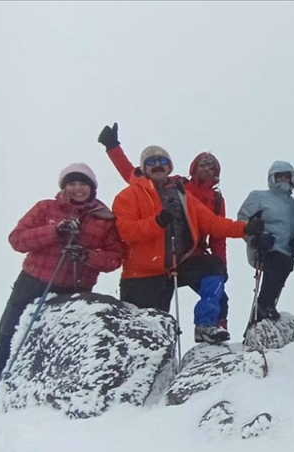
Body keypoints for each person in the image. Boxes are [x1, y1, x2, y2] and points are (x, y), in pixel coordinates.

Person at [0, 163, 124, 398]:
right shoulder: (46, 208)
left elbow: (115, 259)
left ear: (92, 188)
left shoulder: (105, 219)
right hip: (33, 281)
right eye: (72, 183)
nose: (78, 188)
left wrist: (87, 256)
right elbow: (17, 240)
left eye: (83, 183)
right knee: (9, 332)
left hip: (74, 289)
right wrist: (54, 232)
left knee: (55, 341)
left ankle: (43, 392)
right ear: (64, 187)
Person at [112, 145, 264, 344]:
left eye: (163, 161)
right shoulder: (129, 195)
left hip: (179, 261)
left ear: (170, 167)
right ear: (144, 167)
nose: (157, 165)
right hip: (144, 272)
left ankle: (206, 325)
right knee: (142, 335)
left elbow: (212, 223)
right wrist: (156, 223)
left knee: (213, 267)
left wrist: (245, 229)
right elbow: (126, 232)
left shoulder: (184, 195)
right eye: (151, 162)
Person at [98, 123, 234, 328]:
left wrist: (222, 265)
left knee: (219, 293)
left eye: (212, 166)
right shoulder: (176, 186)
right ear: (193, 168)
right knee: (150, 315)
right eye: (203, 165)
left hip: (191, 255)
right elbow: (133, 176)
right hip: (161, 252)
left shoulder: (216, 199)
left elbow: (217, 232)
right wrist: (113, 147)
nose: (207, 169)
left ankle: (214, 329)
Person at [237, 161, 294, 321]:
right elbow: (242, 219)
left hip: (287, 250)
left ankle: (262, 313)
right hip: (265, 247)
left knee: (282, 270)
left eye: (286, 175)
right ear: (272, 178)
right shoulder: (259, 197)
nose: (283, 179)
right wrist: (255, 238)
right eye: (279, 175)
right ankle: (264, 305)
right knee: (279, 266)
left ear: (292, 178)